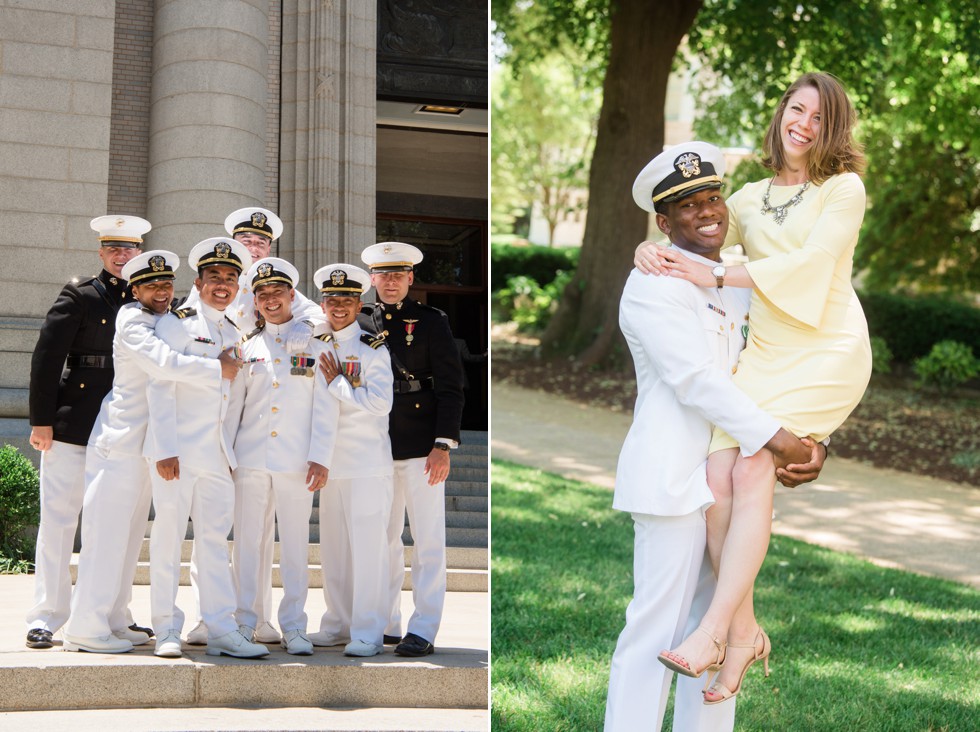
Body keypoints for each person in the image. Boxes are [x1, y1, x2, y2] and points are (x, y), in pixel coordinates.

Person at [637, 73, 871, 703]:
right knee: (717, 479)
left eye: (820, 117)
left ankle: (715, 629)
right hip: (768, 350)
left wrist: (714, 278)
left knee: (750, 470)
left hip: (826, 345)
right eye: (797, 110)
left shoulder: (844, 189)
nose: (804, 124)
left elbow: (813, 267)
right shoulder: (749, 196)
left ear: (835, 127)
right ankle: (743, 632)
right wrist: (646, 247)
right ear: (782, 114)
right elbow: (695, 233)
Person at [605, 142, 825, 730]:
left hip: (729, 474)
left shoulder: (736, 273)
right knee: (656, 629)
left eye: (712, 198)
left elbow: (788, 356)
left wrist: (814, 435)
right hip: (675, 477)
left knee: (717, 628)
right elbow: (695, 380)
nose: (706, 212)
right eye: (687, 206)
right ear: (662, 221)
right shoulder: (652, 283)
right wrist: (778, 441)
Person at [64, 250, 240, 653]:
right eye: (151, 286)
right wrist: (219, 368)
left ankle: (115, 617)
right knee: (104, 533)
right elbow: (163, 365)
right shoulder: (130, 319)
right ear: (134, 289)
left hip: (152, 443)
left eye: (166, 285)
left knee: (128, 539)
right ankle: (85, 626)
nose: (161, 292)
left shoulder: (166, 321)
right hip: (122, 441)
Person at [183, 206, 322, 647]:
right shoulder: (217, 288)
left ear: (268, 248)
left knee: (261, 540)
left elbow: (319, 321)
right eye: (246, 239)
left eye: (260, 242)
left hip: (281, 446)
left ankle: (259, 619)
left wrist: (300, 333)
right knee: (215, 533)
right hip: (222, 433)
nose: (253, 246)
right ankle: (211, 617)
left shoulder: (285, 298)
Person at [26, 215, 149, 649]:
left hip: (128, 428)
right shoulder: (80, 295)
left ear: (140, 252)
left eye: (129, 248)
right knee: (59, 520)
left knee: (125, 527)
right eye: (113, 248)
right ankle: (47, 615)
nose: (121, 255)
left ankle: (116, 613)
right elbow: (47, 357)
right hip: (75, 421)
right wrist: (41, 421)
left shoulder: (149, 300)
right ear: (101, 252)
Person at [145, 236, 268, 659]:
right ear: (198, 282)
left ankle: (220, 627)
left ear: (238, 287)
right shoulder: (176, 322)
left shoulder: (234, 329)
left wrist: (229, 453)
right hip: (177, 454)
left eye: (230, 278)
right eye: (214, 276)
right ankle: (165, 628)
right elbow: (159, 386)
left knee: (215, 542)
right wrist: (163, 448)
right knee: (167, 539)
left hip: (216, 456)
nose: (222, 284)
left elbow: (232, 401)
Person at [359, 242, 465, 658]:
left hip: (423, 444)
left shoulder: (431, 320)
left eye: (397, 275)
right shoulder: (360, 319)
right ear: (371, 278)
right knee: (384, 538)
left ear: (410, 279)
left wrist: (443, 444)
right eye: (382, 275)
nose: (389, 282)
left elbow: (451, 386)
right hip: (377, 443)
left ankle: (424, 627)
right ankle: (387, 621)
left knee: (427, 540)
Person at [225, 257, 332, 656]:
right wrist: (227, 454)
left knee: (295, 546)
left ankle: (295, 626)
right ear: (254, 301)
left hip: (297, 462)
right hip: (250, 459)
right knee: (247, 545)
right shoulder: (246, 345)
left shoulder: (316, 343)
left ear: (292, 295)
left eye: (277, 293)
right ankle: (244, 622)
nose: (271, 300)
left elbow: (325, 407)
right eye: (262, 294)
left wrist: (321, 457)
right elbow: (234, 408)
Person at [308, 263, 394, 657]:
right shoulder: (316, 343)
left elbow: (380, 403)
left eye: (345, 299)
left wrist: (339, 384)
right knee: (335, 550)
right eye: (331, 299)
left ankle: (368, 631)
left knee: (368, 550)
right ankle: (337, 623)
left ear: (359, 303)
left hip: (366, 463)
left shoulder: (373, 348)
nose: (338, 306)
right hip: (330, 463)